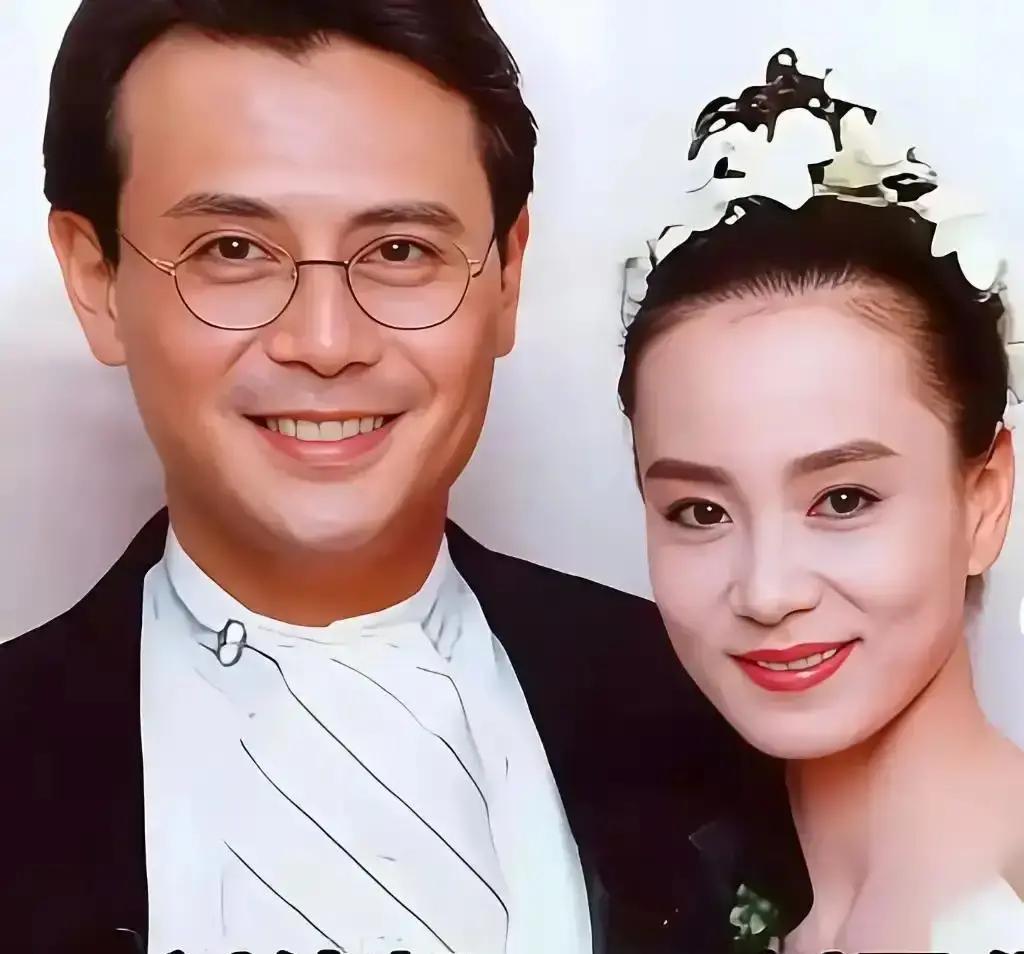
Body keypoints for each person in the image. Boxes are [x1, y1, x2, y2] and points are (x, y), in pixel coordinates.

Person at [0, 3, 789, 953]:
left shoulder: (719, 708)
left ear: (506, 275)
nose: (325, 342)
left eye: (401, 251)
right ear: (96, 281)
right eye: (232, 251)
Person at [619, 49, 1024, 953]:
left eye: (843, 499)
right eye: (699, 512)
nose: (767, 592)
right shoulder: (661, 878)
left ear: (985, 499)